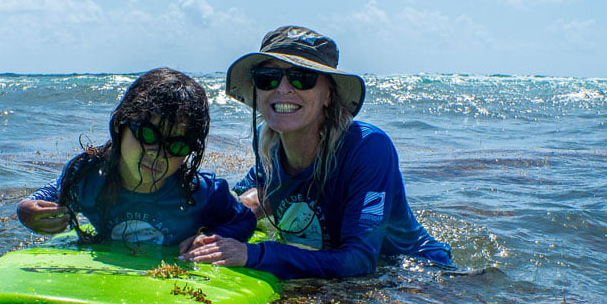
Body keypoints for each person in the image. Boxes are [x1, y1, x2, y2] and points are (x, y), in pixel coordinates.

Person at [181, 25, 453, 278]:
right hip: (329, 267)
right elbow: (256, 196)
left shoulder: (368, 147)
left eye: (302, 78)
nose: (283, 88)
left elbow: (360, 261)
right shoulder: (268, 144)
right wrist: (207, 233)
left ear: (329, 95)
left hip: (413, 274)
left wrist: (253, 254)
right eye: (268, 78)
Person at [17, 67, 255, 251]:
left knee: (250, 202)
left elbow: (243, 221)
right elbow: (49, 195)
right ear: (122, 125)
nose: (158, 153)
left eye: (176, 145)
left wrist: (210, 238)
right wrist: (26, 210)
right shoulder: (89, 177)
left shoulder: (201, 192)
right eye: (147, 134)